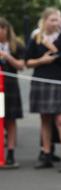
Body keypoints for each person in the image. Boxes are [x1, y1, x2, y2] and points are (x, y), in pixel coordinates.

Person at [26, 8, 61, 171]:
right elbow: (27, 61)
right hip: (40, 80)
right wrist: (42, 60)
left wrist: (52, 48)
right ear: (45, 20)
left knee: (60, 119)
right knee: (44, 119)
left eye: (58, 20)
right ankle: (46, 154)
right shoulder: (36, 38)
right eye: (53, 20)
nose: (56, 23)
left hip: (58, 80)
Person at [0, 17, 25, 169]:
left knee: (11, 120)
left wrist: (7, 56)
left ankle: (10, 153)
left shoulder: (16, 46)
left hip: (10, 87)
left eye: (3, 28)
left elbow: (21, 65)